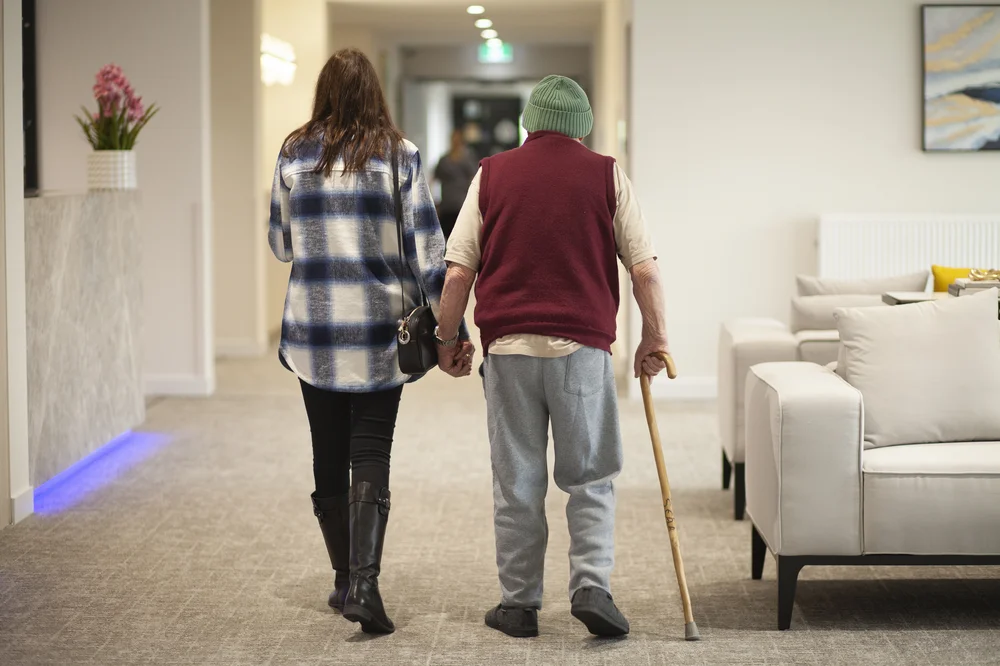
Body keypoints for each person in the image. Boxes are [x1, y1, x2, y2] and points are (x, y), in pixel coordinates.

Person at [433, 75, 670, 638]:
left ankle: (518, 605)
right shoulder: (606, 173)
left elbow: (459, 270)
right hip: (582, 351)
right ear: (583, 126)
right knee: (590, 476)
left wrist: (447, 341)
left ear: (529, 123)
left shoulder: (492, 173)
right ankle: (591, 586)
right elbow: (645, 270)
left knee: (516, 480)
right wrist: (654, 337)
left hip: (510, 350)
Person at [268, 48, 473, 636]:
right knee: (371, 453)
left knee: (326, 450)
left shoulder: (292, 152)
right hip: (383, 335)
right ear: (374, 94)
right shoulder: (398, 156)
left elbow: (281, 243)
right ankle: (364, 584)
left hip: (313, 333)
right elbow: (430, 255)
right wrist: (449, 330)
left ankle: (341, 578)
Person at [434, 128, 479, 240]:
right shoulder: (444, 160)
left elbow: (474, 179)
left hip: (462, 205)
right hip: (447, 205)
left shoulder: (467, 159)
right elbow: (435, 179)